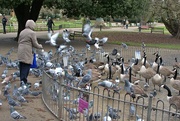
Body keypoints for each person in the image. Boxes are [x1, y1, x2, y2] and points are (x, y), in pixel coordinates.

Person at [17, 20, 43, 86]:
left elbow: (19, 41)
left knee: (22, 66)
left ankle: (22, 81)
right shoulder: (32, 33)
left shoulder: (22, 32)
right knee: (26, 66)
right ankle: (24, 82)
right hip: (27, 50)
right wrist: (40, 46)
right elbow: (35, 43)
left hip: (20, 49)